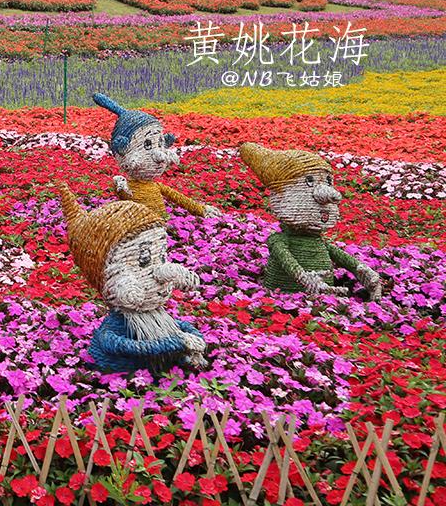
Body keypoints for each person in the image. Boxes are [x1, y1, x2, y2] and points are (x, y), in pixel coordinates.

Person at [57, 182, 207, 373]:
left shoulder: (157, 317)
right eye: (143, 260)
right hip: (119, 376)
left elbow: (178, 326)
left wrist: (194, 336)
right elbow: (118, 344)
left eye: (161, 255)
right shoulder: (116, 324)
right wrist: (176, 342)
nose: (160, 273)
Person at [240, 142, 382, 299]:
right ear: (280, 197)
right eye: (309, 181)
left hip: (324, 298)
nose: (329, 195)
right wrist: (307, 280)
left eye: (328, 182)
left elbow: (340, 256)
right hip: (286, 297)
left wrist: (363, 271)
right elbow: (288, 262)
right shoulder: (279, 241)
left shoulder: (320, 242)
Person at [93, 93, 221, 220]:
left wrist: (201, 209)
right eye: (147, 145)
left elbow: (178, 197)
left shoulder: (156, 186)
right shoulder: (125, 184)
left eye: (160, 143)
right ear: (123, 149)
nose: (159, 156)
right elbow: (125, 197)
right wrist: (120, 187)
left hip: (160, 222)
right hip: (139, 225)